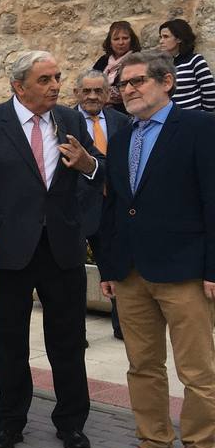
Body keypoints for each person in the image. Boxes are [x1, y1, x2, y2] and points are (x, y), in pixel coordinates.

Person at [0, 50, 101, 448]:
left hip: (62, 249)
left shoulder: (71, 120)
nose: (55, 85)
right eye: (45, 80)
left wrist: (89, 163)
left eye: (57, 77)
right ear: (19, 86)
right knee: (8, 342)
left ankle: (71, 422)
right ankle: (11, 422)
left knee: (69, 341)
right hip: (6, 252)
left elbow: (96, 170)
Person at [98, 51, 215, 448]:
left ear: (167, 82)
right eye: (122, 84)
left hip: (184, 270)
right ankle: (156, 442)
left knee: (197, 371)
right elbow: (116, 206)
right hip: (131, 271)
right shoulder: (125, 135)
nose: (127, 90)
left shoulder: (201, 128)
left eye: (137, 81)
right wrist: (109, 265)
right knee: (142, 365)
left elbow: (213, 200)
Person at [74, 69, 130, 339]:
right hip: (76, 207)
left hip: (112, 205)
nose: (92, 96)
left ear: (109, 94)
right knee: (74, 273)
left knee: (115, 266)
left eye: (99, 91)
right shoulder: (64, 121)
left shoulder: (123, 121)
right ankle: (76, 332)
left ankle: (123, 327)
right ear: (76, 93)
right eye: (87, 91)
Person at [158, 18, 215, 112]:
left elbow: (210, 93)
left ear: (179, 39)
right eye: (160, 37)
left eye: (166, 37)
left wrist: (203, 116)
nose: (161, 41)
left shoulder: (195, 60)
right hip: (172, 120)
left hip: (194, 120)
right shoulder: (164, 65)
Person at [92, 20, 140, 112]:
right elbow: (91, 82)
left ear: (132, 40)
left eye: (125, 38)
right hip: (100, 112)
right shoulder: (103, 60)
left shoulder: (136, 60)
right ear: (110, 42)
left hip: (127, 112)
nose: (121, 42)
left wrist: (101, 95)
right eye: (116, 39)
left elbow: (130, 89)